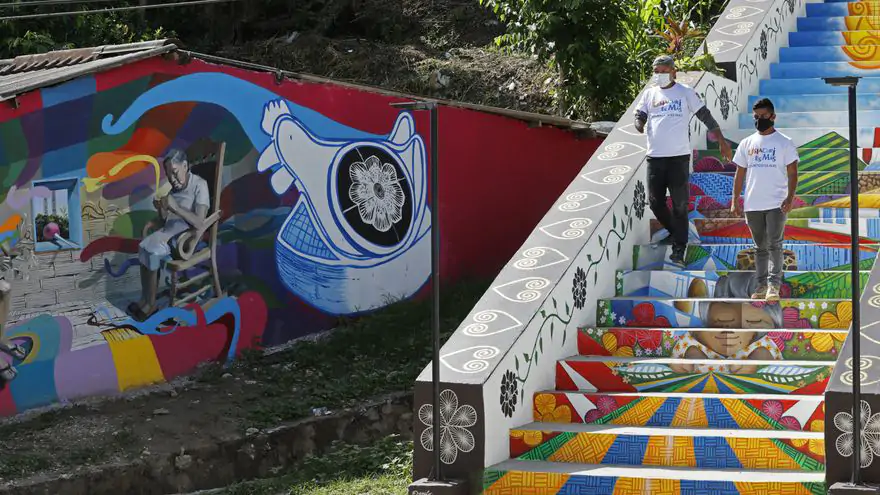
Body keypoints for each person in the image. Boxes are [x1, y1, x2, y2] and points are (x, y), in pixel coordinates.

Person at [634, 55, 732, 265]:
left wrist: (721, 140)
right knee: (655, 203)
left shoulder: (685, 93)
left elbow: (705, 115)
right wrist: (639, 123)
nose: (659, 75)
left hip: (678, 158)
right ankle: (676, 231)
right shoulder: (649, 94)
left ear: (673, 71)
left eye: (663, 71)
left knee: (679, 204)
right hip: (655, 158)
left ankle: (679, 248)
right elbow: (640, 114)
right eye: (656, 71)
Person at [128, 149, 210, 320]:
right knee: (143, 247)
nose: (172, 179)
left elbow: (200, 222)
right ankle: (145, 299)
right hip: (170, 234)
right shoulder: (173, 191)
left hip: (186, 239)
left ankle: (151, 305)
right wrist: (162, 211)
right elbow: (166, 221)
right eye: (169, 175)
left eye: (175, 172)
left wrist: (177, 208)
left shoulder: (199, 185)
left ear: (185, 166)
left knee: (151, 251)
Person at [731, 98, 799, 301]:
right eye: (756, 117)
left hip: (777, 203)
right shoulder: (746, 143)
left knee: (775, 244)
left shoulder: (784, 142)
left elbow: (793, 173)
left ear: (773, 117)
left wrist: (790, 197)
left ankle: (774, 287)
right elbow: (739, 173)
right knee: (760, 247)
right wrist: (735, 199)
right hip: (753, 203)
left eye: (763, 116)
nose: (760, 120)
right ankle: (760, 286)